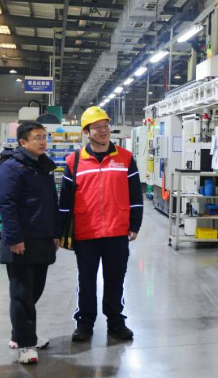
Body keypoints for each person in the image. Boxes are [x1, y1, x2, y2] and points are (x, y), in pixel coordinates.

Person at [59, 106, 143, 342]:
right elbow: (65, 201)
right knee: (86, 281)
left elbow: (135, 194)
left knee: (115, 279)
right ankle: (85, 324)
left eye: (105, 126)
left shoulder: (125, 158)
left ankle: (115, 322)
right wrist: (60, 232)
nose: (103, 130)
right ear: (87, 132)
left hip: (117, 231)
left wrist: (135, 224)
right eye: (97, 127)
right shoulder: (74, 161)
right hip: (86, 232)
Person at [0, 121, 61, 364]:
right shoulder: (11, 168)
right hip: (21, 241)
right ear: (22, 142)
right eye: (37, 137)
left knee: (35, 291)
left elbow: (52, 201)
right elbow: (7, 205)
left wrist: (56, 232)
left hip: (43, 237)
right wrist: (14, 238)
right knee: (22, 293)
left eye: (44, 136)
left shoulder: (43, 166)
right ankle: (25, 345)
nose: (43, 141)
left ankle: (20, 334)